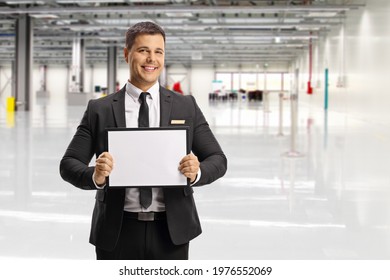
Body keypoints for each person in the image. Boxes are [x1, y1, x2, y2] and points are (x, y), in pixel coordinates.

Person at [59, 21, 227, 260]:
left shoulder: (185, 105)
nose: (152, 59)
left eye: (158, 51)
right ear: (127, 54)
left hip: (171, 232)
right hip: (116, 231)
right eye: (143, 50)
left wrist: (197, 172)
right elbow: (68, 164)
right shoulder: (100, 109)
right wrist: (95, 176)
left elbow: (218, 159)